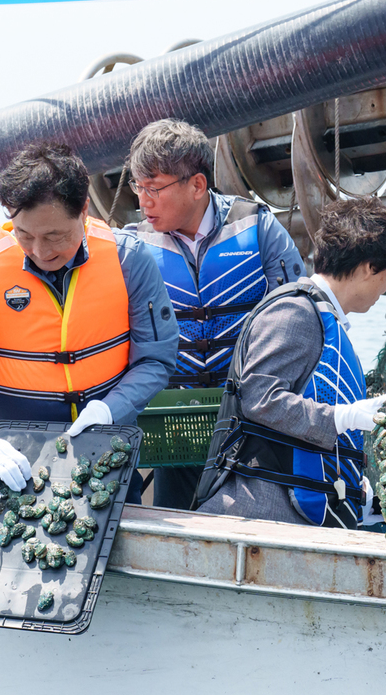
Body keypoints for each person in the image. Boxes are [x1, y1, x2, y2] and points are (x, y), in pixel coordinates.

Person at [0, 142, 178, 498]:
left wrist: (111, 409)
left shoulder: (129, 260)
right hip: (15, 464)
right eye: (24, 235)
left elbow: (156, 358)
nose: (40, 251)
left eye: (55, 236)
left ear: (83, 210)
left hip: (106, 458)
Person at [193, 198, 386, 527]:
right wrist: (342, 418)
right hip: (259, 518)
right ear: (370, 267)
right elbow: (259, 398)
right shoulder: (296, 311)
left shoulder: (325, 317)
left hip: (290, 514)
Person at [125, 119, 306, 509]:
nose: (144, 201)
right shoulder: (132, 246)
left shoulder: (258, 227)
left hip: (250, 420)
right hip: (173, 424)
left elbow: (302, 315)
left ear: (197, 185)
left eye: (153, 188)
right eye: (138, 187)